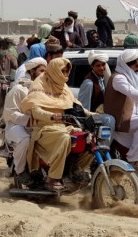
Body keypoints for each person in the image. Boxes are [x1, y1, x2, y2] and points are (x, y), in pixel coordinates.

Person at [21, 58, 93, 190]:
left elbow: (76, 105)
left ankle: (75, 169)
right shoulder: (40, 84)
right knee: (65, 138)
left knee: (90, 138)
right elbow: (35, 111)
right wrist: (51, 116)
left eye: (67, 71)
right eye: (62, 71)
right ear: (54, 71)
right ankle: (52, 177)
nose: (65, 74)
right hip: (44, 129)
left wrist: (93, 114)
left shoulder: (63, 87)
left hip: (62, 126)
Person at [2, 57, 47, 186]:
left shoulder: (44, 90)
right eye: (41, 71)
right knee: (25, 140)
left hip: (38, 126)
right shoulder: (18, 89)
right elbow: (10, 114)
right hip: (16, 127)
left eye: (45, 72)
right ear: (32, 72)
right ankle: (20, 172)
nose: (44, 75)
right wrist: (29, 121)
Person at [78, 50, 115, 133]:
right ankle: (104, 145)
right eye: (98, 65)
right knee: (109, 120)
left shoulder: (102, 79)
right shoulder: (89, 83)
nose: (101, 68)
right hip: (91, 117)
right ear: (92, 66)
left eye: (103, 64)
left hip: (101, 113)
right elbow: (84, 109)